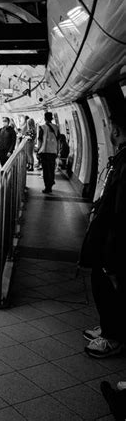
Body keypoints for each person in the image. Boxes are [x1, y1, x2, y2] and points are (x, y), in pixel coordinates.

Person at [79, 108, 126, 359]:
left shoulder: (124, 163)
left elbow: (120, 214)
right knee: (102, 286)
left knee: (107, 287)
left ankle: (113, 337)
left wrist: (111, 256)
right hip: (108, 240)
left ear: (116, 131)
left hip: (113, 244)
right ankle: (108, 327)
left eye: (109, 128)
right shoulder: (121, 159)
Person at [37, 111, 59, 193]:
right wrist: (57, 151)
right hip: (53, 151)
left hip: (45, 151)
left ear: (45, 118)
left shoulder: (42, 127)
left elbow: (40, 140)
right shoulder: (56, 127)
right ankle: (51, 182)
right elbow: (58, 139)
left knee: (46, 170)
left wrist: (38, 150)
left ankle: (47, 187)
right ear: (52, 118)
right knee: (52, 168)